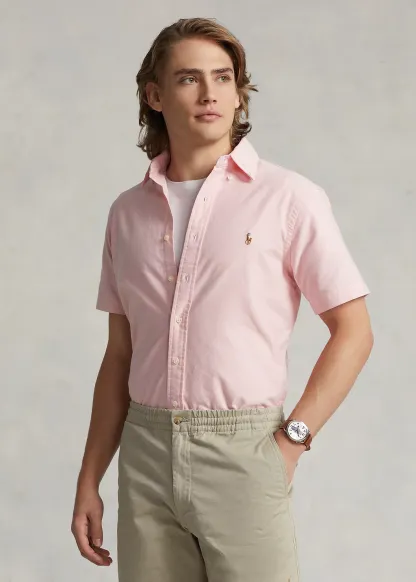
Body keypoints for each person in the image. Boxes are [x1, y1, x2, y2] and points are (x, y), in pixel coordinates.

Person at [71, 17, 373, 582]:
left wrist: (291, 442)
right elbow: (120, 355)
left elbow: (354, 331)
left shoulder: (289, 199)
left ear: (239, 92)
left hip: (245, 452)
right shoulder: (126, 213)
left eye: (224, 77)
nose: (210, 93)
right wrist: (90, 478)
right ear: (154, 95)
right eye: (189, 78)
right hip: (145, 454)